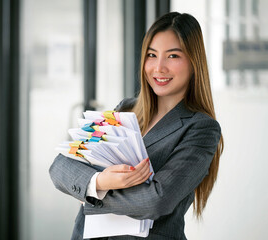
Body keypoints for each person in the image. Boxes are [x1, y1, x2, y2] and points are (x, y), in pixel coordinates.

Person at [49, 12, 224, 240]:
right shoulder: (125, 109)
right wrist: (99, 182)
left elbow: (155, 201)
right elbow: (61, 165)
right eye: (152, 55)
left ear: (194, 62)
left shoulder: (201, 128)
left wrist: (91, 194)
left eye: (172, 56)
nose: (159, 67)